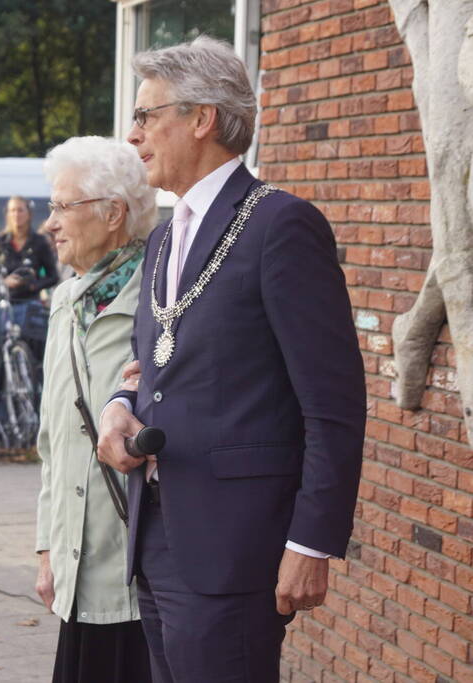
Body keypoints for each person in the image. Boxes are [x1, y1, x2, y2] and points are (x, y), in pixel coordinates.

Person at [95, 37, 366, 682]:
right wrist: (117, 408)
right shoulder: (163, 236)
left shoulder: (282, 226)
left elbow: (333, 405)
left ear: (201, 118)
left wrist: (311, 542)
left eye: (146, 115)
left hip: (237, 547)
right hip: (155, 532)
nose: (133, 135)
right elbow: (151, 361)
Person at [34, 136, 156, 683]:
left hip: (135, 568)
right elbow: (51, 443)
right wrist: (47, 549)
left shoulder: (159, 297)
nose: (50, 223)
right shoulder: (66, 301)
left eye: (63, 206)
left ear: (113, 214)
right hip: (75, 569)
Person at [0, 196, 59, 329]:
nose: (16, 214)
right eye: (12, 210)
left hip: (30, 305)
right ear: (7, 214)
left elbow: (53, 276)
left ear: (29, 213)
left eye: (20, 210)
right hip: (3, 305)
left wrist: (33, 285)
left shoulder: (40, 242)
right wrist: (4, 282)